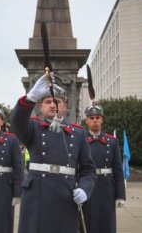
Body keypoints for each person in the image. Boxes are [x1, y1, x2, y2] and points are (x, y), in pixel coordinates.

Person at [10, 74, 96, 233]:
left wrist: (84, 189)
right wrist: (30, 97)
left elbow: (88, 169)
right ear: (41, 107)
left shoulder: (78, 133)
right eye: (47, 102)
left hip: (65, 195)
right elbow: (16, 122)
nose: (52, 105)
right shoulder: (33, 127)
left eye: (57, 101)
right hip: (37, 196)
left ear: (65, 106)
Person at [83, 105, 126, 233]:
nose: (95, 120)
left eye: (97, 117)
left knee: (106, 224)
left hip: (106, 189)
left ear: (102, 120)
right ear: (86, 121)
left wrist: (120, 195)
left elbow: (118, 170)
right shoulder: (80, 140)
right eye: (91, 118)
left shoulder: (112, 142)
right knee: (87, 224)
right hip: (86, 188)